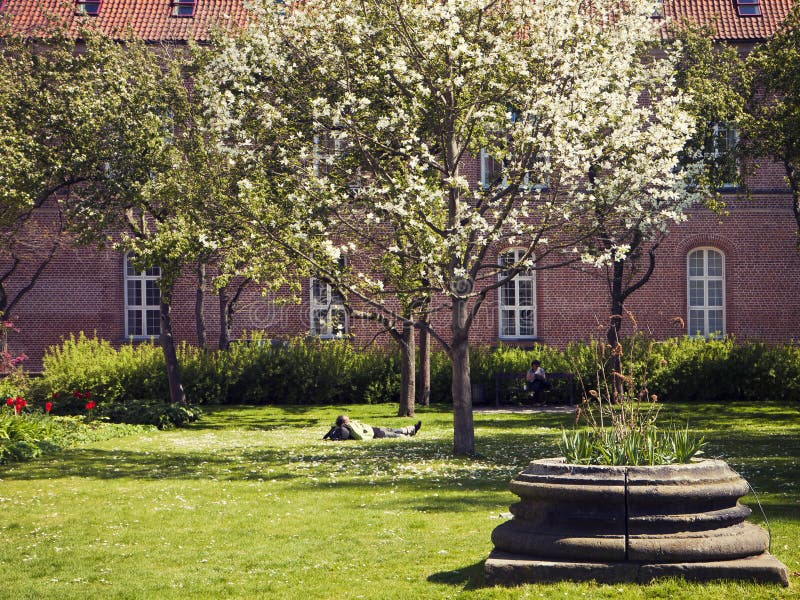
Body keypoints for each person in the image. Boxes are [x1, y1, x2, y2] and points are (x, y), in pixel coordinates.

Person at [323, 414, 421, 440]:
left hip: (372, 429)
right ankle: (408, 434)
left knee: (392, 429)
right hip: (373, 433)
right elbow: (360, 436)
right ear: (344, 423)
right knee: (392, 434)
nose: (350, 421)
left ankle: (411, 429)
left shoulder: (347, 426)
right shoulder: (348, 428)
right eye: (348, 420)